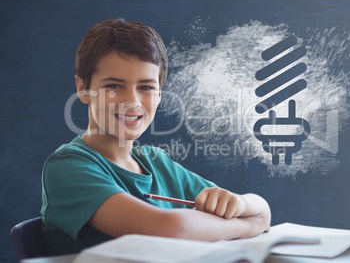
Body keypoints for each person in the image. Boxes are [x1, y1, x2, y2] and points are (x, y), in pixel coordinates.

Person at [41, 19, 271, 255]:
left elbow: (261, 209)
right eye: (114, 86)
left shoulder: (155, 161)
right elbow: (171, 228)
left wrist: (242, 204)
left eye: (146, 87)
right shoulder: (67, 167)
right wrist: (246, 225)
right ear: (82, 89)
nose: (132, 102)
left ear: (159, 94)